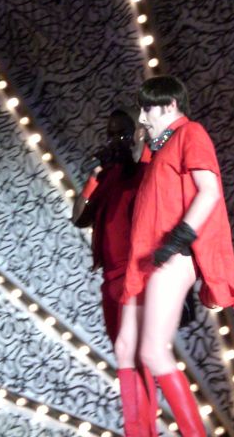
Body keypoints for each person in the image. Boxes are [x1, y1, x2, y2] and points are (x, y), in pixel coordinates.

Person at [115, 76, 234, 436]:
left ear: (170, 105)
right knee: (126, 347)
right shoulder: (157, 149)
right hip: (144, 256)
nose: (142, 117)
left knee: (153, 351)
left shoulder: (191, 133)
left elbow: (209, 191)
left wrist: (178, 240)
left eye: (147, 108)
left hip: (172, 254)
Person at [72, 108, 159, 436]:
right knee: (124, 355)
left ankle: (144, 428)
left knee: (137, 354)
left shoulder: (143, 169)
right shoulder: (107, 178)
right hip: (109, 278)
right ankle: (136, 427)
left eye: (121, 133)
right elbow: (79, 217)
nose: (115, 140)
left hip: (134, 275)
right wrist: (94, 176)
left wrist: (139, 143)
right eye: (111, 134)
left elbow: (147, 163)